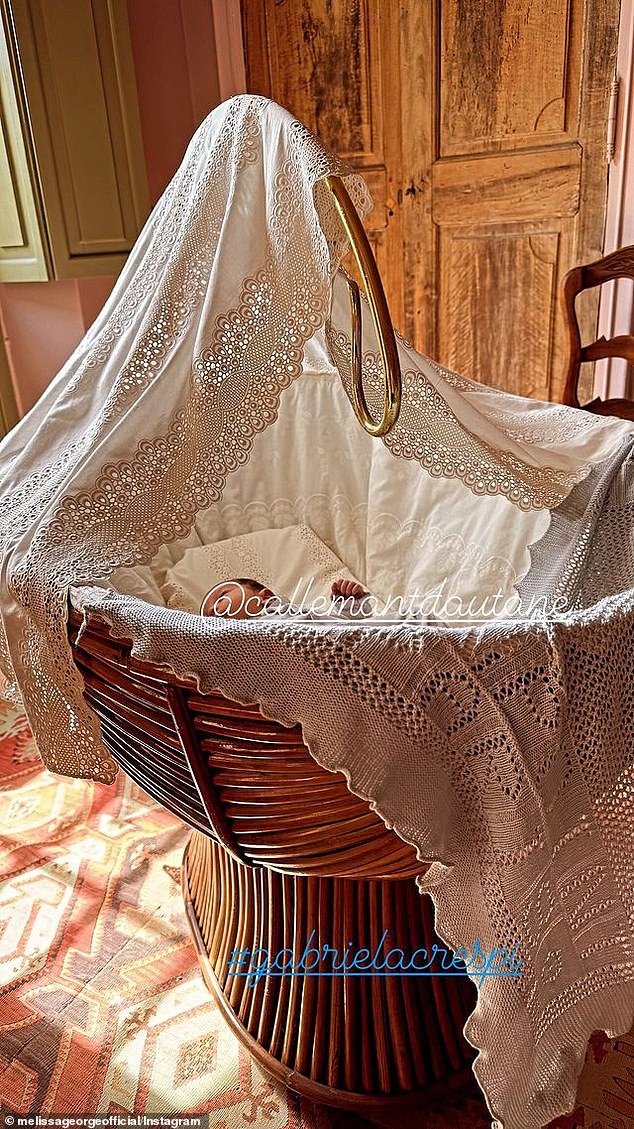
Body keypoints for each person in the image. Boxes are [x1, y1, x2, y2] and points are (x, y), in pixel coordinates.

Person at [200, 577, 367, 620]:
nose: (210, 610)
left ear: (264, 597)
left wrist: (349, 601)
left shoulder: (298, 612)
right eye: (207, 617)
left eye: (221, 596)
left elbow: (347, 623)